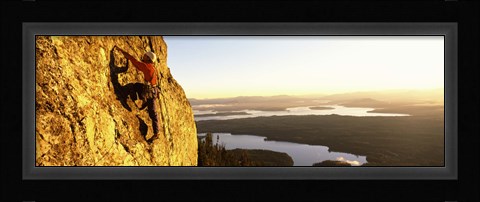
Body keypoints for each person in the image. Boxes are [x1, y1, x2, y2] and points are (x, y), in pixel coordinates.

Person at [114, 45, 161, 143]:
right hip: (154, 90)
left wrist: (120, 50)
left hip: (149, 91)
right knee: (152, 111)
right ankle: (156, 131)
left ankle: (156, 132)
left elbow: (132, 59)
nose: (143, 56)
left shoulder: (146, 66)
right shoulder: (152, 67)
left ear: (148, 58)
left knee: (134, 87)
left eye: (145, 56)